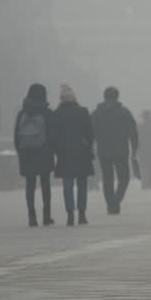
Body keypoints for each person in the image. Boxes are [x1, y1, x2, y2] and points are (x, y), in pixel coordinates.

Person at [91, 86, 139, 215]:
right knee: (124, 178)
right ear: (117, 97)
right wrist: (134, 149)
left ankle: (111, 204)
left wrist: (92, 145)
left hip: (103, 150)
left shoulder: (96, 113)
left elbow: (89, 132)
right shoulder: (124, 112)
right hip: (121, 150)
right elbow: (133, 132)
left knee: (107, 179)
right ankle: (116, 201)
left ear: (104, 97)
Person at [14, 82, 55, 227]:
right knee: (45, 184)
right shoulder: (47, 113)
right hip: (43, 152)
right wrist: (52, 152)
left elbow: (16, 137)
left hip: (27, 153)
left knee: (30, 185)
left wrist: (22, 152)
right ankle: (46, 216)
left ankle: (32, 216)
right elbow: (52, 135)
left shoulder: (22, 113)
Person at [52, 84, 94, 226]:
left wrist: (57, 151)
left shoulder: (57, 114)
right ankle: (82, 214)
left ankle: (70, 214)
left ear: (61, 99)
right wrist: (87, 145)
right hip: (82, 152)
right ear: (74, 98)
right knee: (82, 184)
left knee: (67, 184)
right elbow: (90, 133)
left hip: (64, 153)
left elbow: (54, 136)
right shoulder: (83, 111)